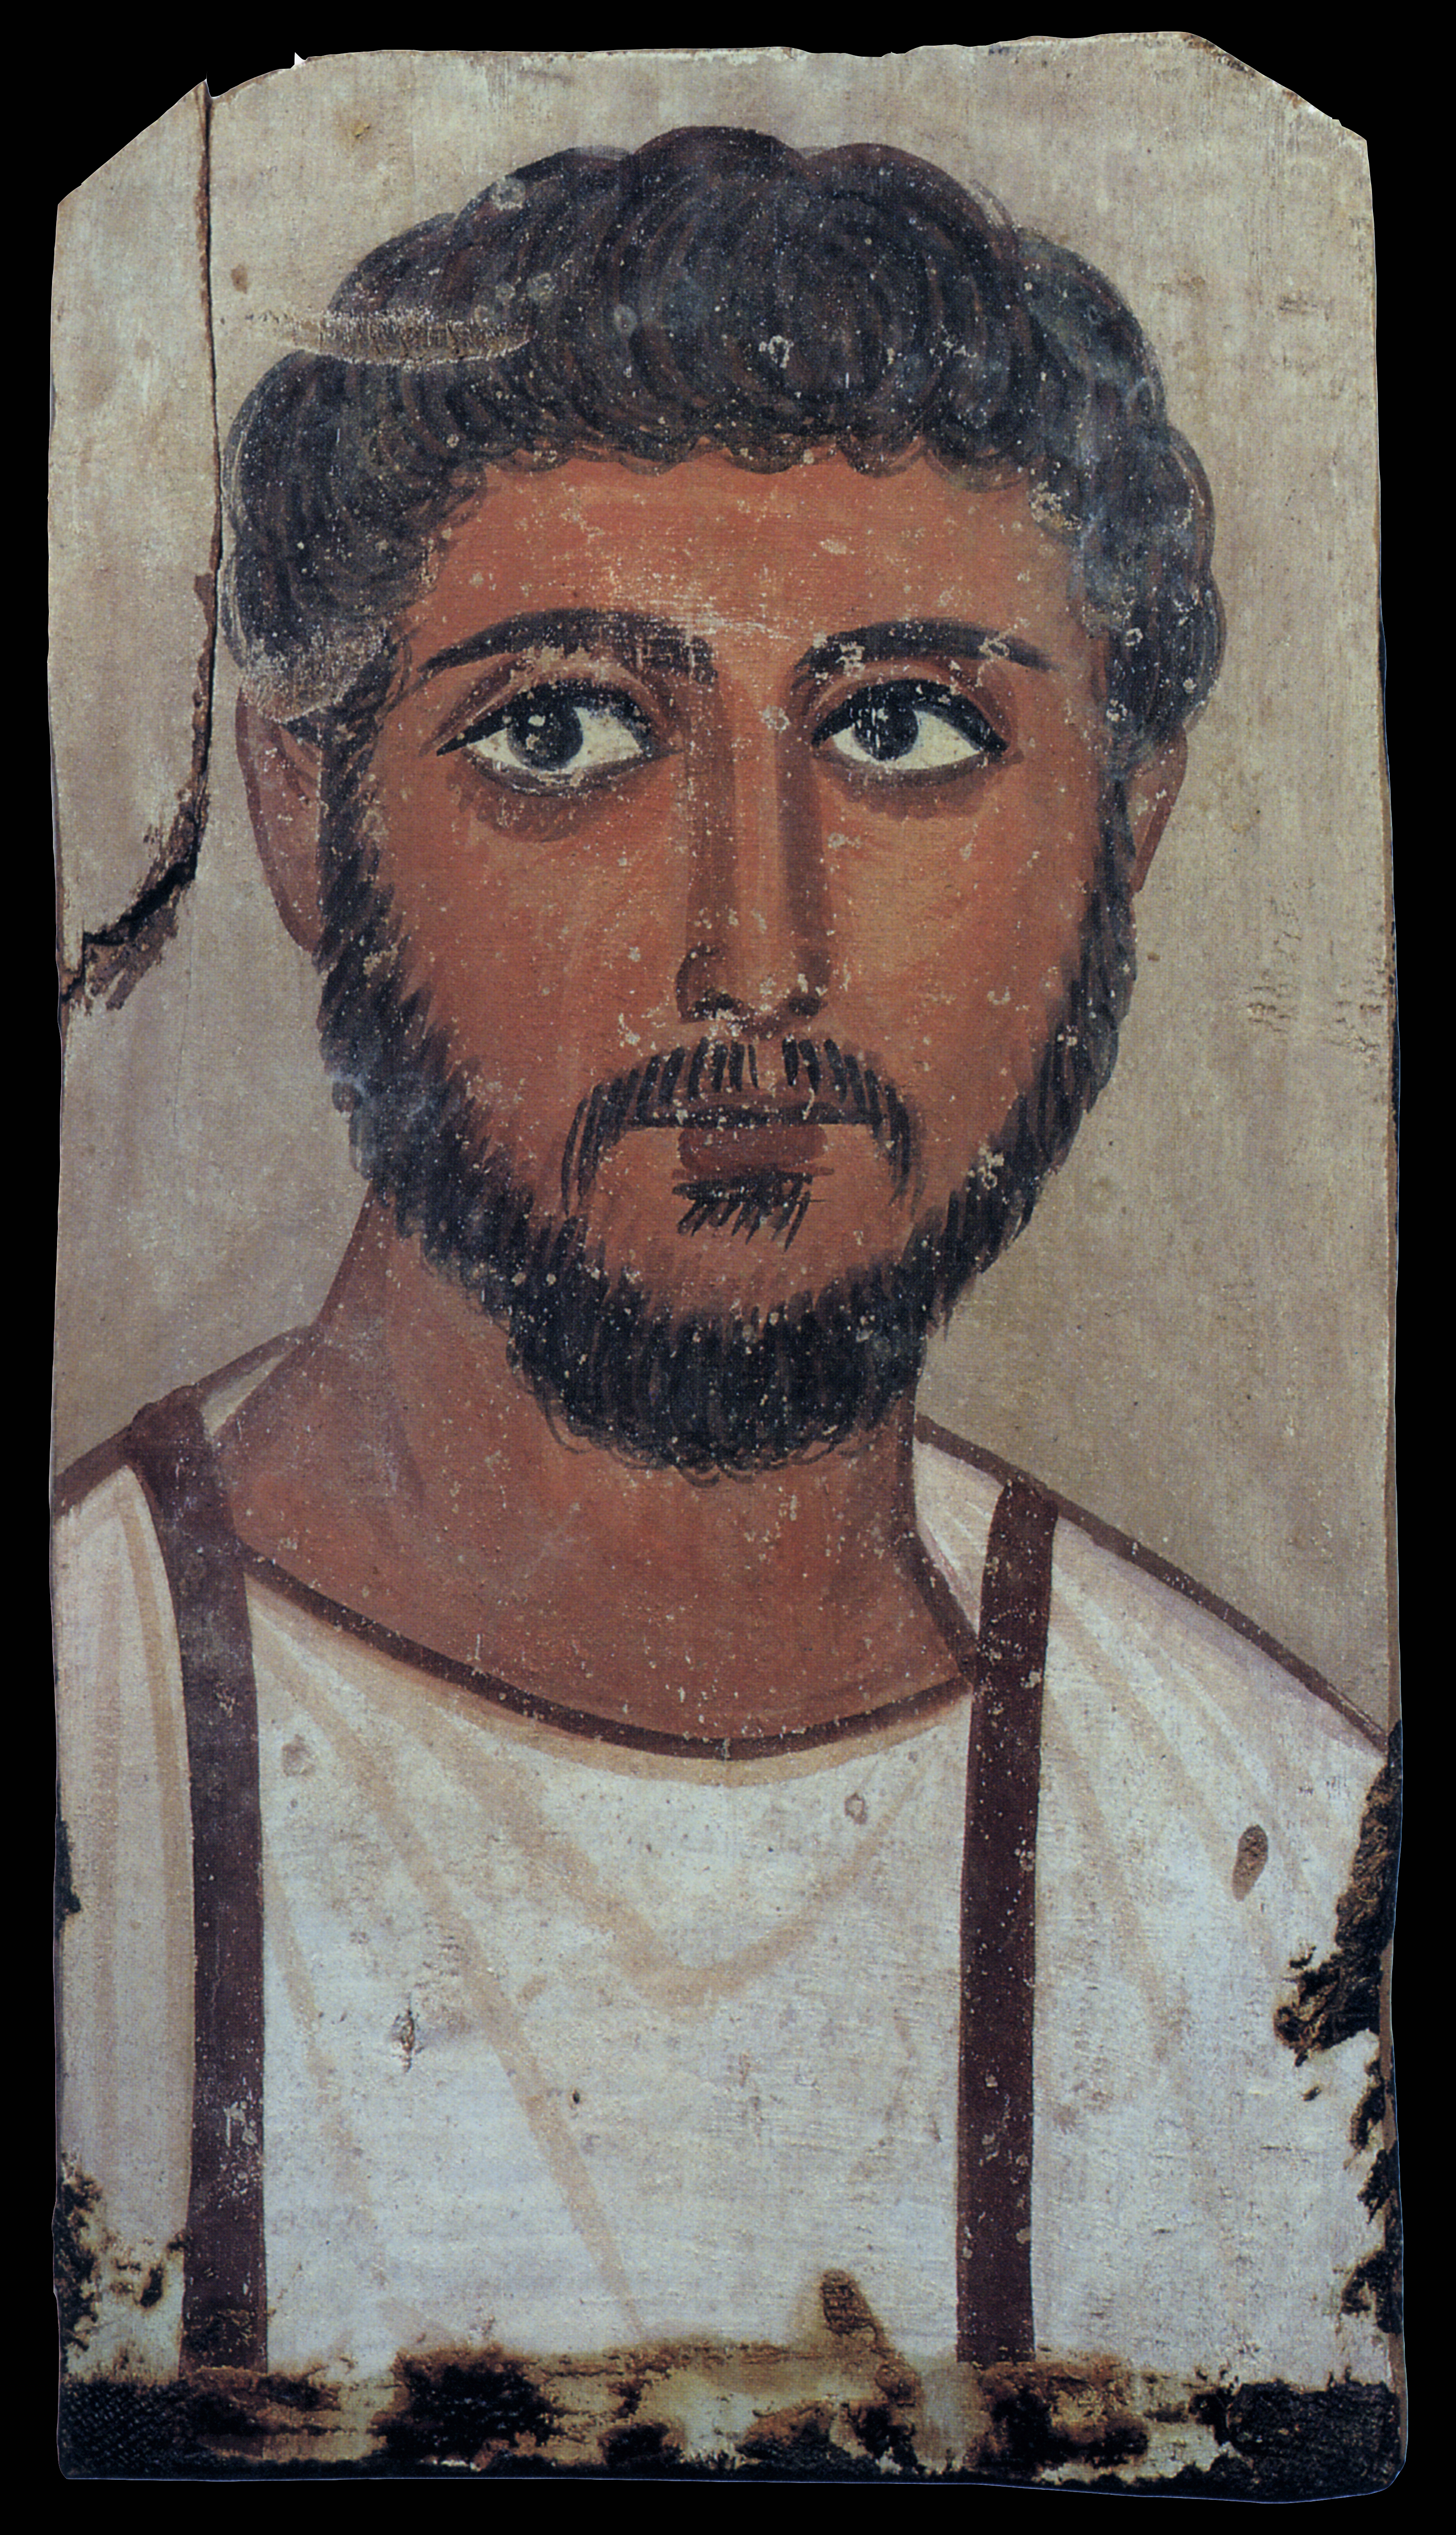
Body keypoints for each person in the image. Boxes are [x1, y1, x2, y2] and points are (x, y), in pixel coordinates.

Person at [55, 128, 1396, 2475]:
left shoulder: (1292, 1894)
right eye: (564, 728)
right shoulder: (80, 1757)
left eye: (904, 730)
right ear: (297, 800)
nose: (752, 953)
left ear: (1135, 813)